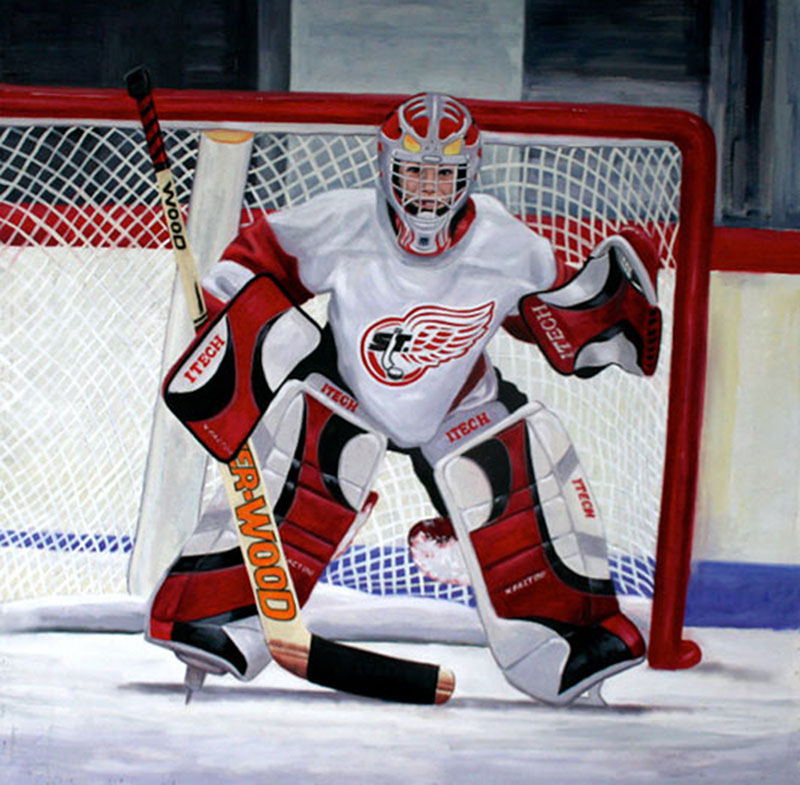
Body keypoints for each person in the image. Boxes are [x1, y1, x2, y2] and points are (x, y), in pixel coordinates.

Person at [150, 92, 662, 706]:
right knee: (305, 462)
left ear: (469, 173)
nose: (429, 187)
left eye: (444, 173)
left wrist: (601, 320)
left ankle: (569, 635)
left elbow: (544, 317)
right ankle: (218, 613)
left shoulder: (509, 243)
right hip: (349, 387)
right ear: (388, 166)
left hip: (458, 399)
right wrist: (226, 307)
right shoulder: (344, 220)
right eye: (416, 170)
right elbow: (265, 255)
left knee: (523, 461)